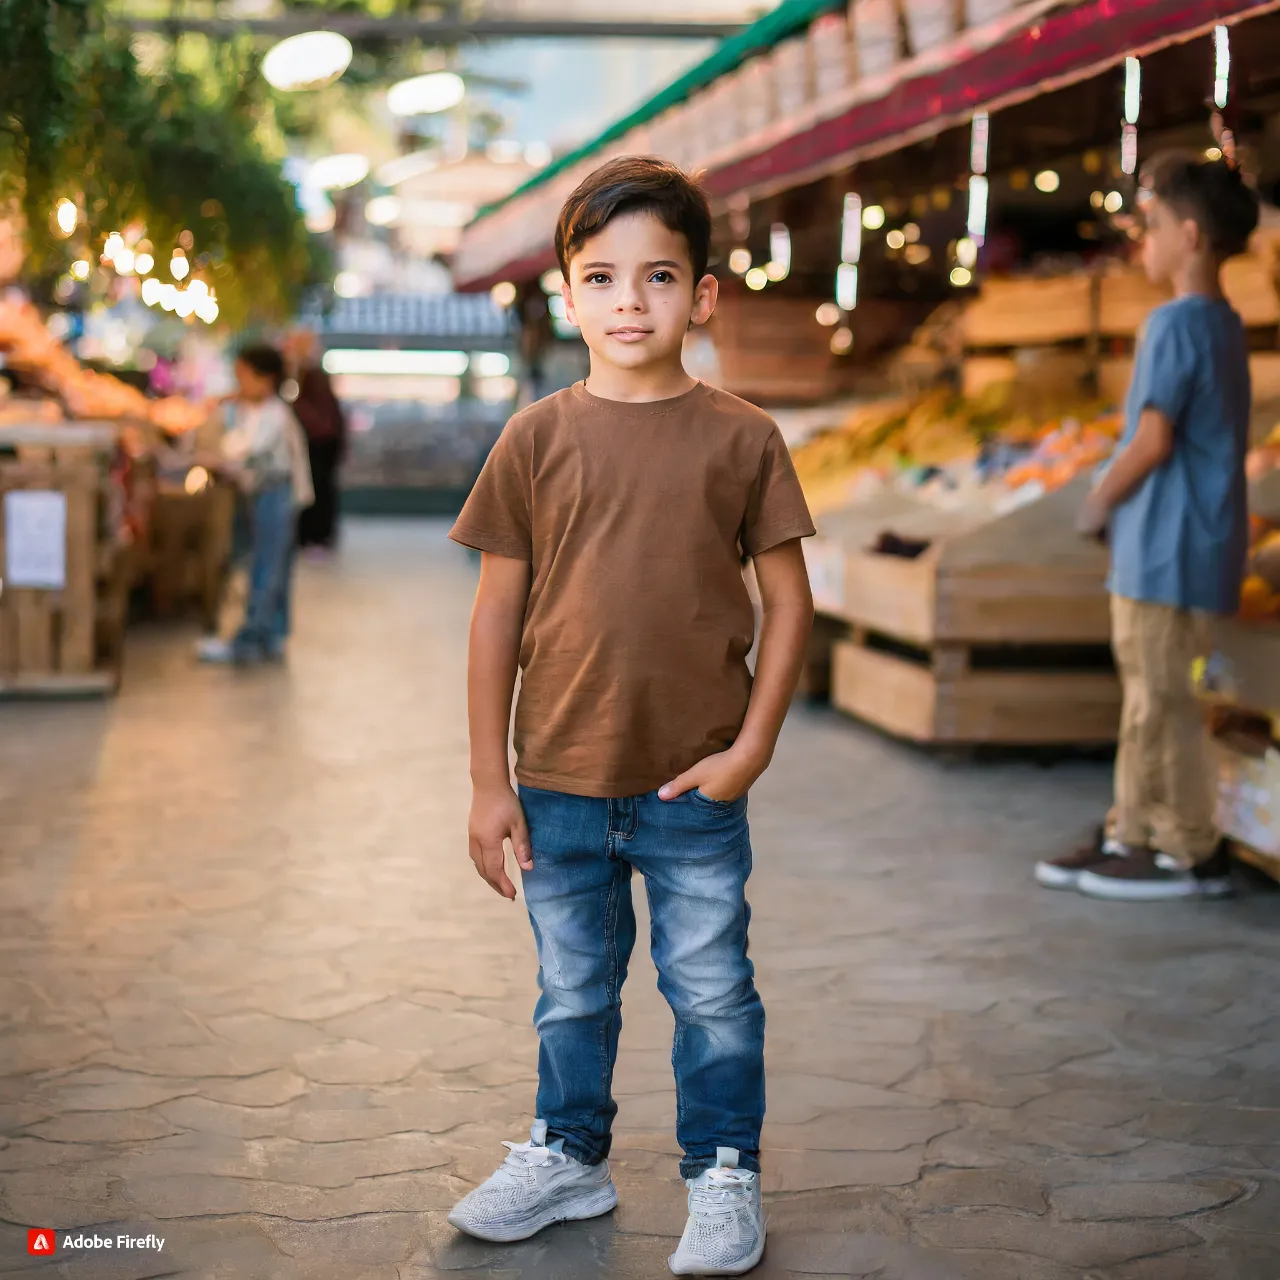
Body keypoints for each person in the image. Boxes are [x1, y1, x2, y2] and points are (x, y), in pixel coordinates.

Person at [444, 157, 816, 1276]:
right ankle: (569, 1153)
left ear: (701, 294)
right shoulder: (534, 440)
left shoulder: (741, 436)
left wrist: (749, 747)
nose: (628, 302)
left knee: (711, 992)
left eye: (657, 276)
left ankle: (719, 1170)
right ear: (568, 294)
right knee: (570, 991)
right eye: (600, 277)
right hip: (556, 777)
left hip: (690, 783)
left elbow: (788, 601)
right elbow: (493, 616)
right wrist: (484, 779)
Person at [1036, 151, 1259, 902]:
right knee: (1160, 698)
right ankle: (1132, 829)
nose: (1143, 240)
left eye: (1152, 224)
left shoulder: (1172, 323)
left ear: (1188, 235)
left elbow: (1152, 439)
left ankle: (1180, 849)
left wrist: (1098, 501)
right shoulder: (1225, 324)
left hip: (1162, 548)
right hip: (1193, 546)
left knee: (1158, 702)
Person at [197, 344, 313, 665]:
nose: (239, 384)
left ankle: (250, 638)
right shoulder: (251, 410)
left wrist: (216, 458)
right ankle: (271, 634)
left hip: (275, 494)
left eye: (244, 377)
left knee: (266, 566)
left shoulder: (274, 415)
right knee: (271, 564)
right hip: (263, 493)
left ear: (266, 379)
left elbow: (246, 451)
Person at [283, 326, 346, 552]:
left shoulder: (309, 371)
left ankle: (317, 536)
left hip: (319, 440)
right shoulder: (305, 371)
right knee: (318, 487)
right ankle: (316, 535)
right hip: (319, 439)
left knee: (318, 488)